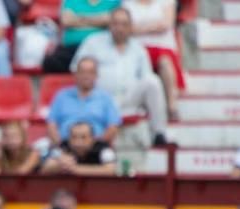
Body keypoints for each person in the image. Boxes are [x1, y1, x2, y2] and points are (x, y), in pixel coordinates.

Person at [72, 8, 168, 146]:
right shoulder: (93, 42)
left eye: (124, 24)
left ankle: (159, 133)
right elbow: (77, 69)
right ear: (109, 25)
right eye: (116, 24)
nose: (120, 28)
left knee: (152, 81)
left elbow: (145, 76)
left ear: (130, 27)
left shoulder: (138, 48)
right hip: (99, 99)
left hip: (128, 100)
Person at [124, 0, 183, 120]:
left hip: (162, 47)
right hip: (136, 48)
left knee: (165, 62)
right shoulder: (127, 3)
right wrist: (154, 26)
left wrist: (138, 28)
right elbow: (126, 27)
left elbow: (166, 24)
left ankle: (172, 106)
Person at [47, 57, 122, 145]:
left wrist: (97, 145)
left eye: (90, 72)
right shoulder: (62, 96)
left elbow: (113, 126)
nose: (86, 76)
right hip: (65, 146)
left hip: (95, 148)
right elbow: (51, 124)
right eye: (82, 72)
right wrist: (60, 145)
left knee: (108, 158)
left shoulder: (105, 98)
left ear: (96, 75)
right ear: (75, 74)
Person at [43, 0, 120, 73]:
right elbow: (66, 20)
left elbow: (113, 20)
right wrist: (100, 21)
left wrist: (78, 19)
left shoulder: (113, 1)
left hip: (100, 49)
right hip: (72, 49)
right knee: (50, 62)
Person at [41, 121, 117, 175]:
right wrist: (59, 165)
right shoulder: (63, 147)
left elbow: (110, 170)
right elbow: (45, 169)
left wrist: (75, 169)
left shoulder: (104, 149)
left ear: (93, 138)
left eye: (83, 137)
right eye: (74, 137)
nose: (78, 142)